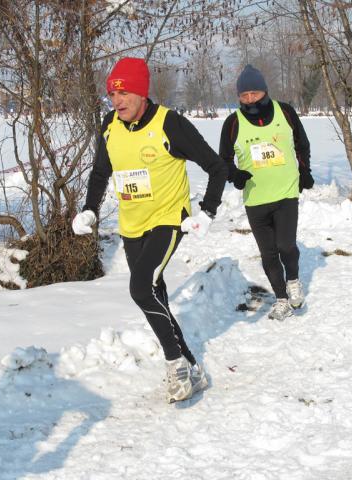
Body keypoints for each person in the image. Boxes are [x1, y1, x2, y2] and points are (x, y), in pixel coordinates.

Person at [72, 57, 227, 403]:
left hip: (168, 220)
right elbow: (101, 172)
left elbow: (217, 167)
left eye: (124, 93)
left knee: (140, 289)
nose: (118, 101)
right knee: (154, 294)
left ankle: (175, 365)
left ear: (142, 93)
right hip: (132, 225)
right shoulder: (109, 126)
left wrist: (208, 212)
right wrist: (89, 210)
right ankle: (192, 367)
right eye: (112, 94)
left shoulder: (169, 124)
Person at [219, 64, 313, 321]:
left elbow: (301, 144)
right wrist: (234, 174)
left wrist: (305, 171)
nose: (249, 99)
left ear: (264, 91)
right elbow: (223, 160)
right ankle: (281, 298)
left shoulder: (285, 112)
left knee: (286, 246)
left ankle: (293, 281)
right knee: (268, 253)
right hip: (256, 199)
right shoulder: (232, 123)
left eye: (254, 94)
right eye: (244, 95)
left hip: (285, 193)